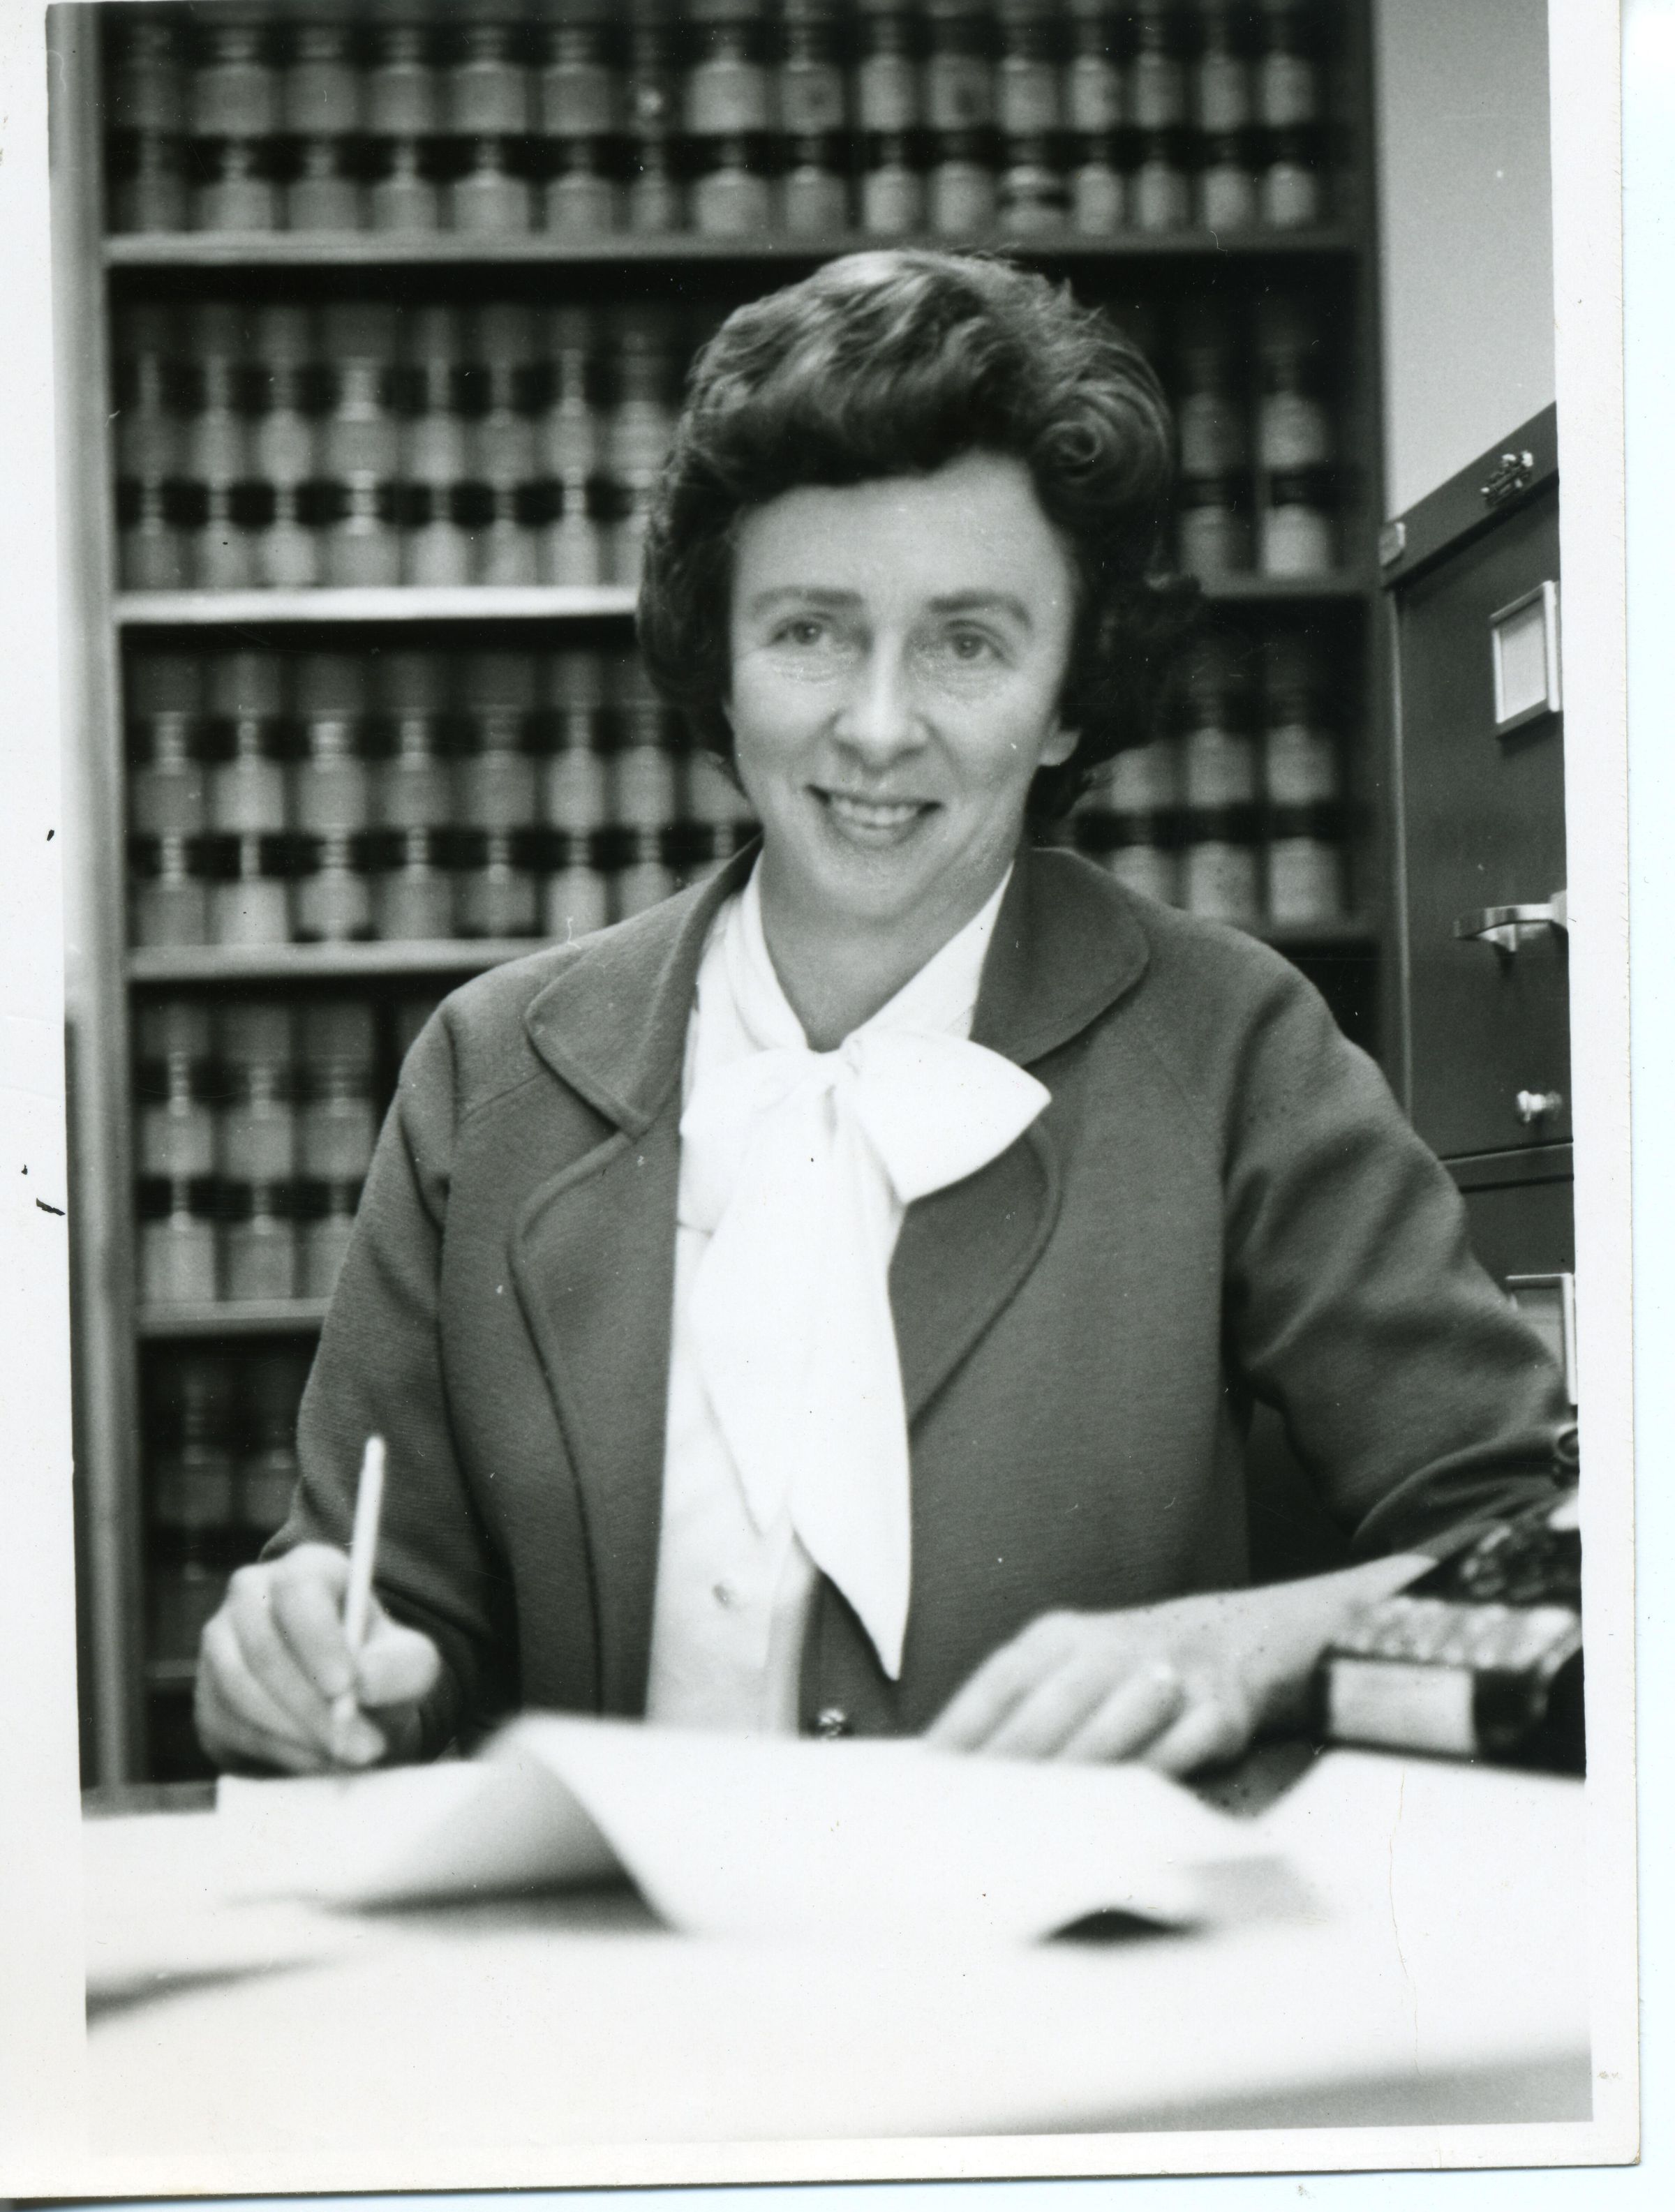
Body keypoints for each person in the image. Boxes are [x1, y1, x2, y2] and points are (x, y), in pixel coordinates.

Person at [195, 250, 1567, 1779]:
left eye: (968, 642)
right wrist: (318, 1666)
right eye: (810, 630)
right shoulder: (490, 1071)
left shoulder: (1239, 1047)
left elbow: (1548, 1551)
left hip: (1081, 1935)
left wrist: (1236, 1647)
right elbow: (385, 1610)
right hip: (604, 1934)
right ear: (720, 662)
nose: (877, 724)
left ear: (1070, 694)